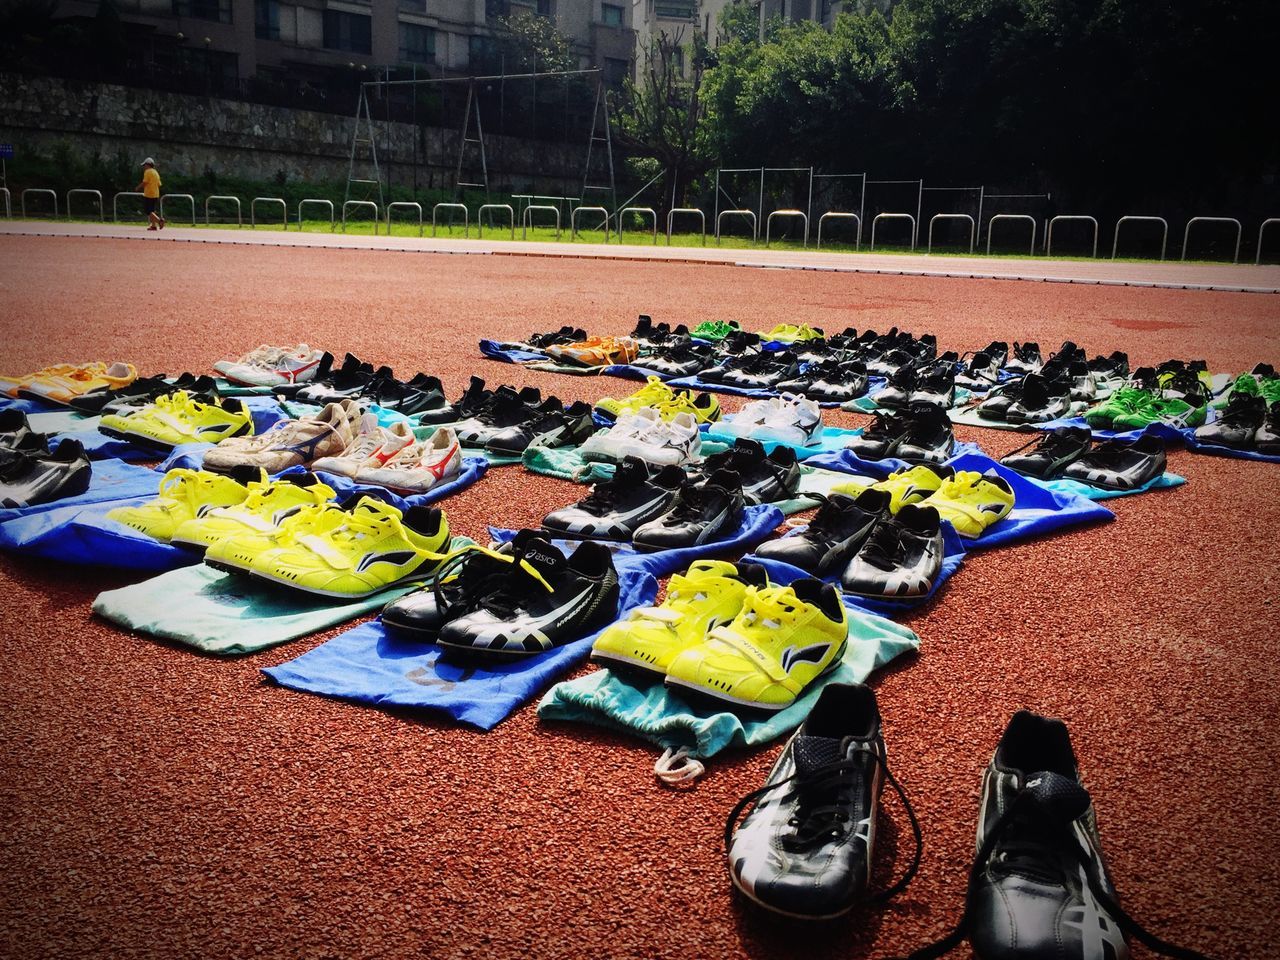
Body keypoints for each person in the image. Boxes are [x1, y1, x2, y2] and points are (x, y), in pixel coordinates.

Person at [135, 157, 165, 231]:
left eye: (144, 165)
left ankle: (159, 221)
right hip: (156, 194)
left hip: (149, 194)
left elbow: (145, 182)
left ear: (148, 165)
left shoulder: (148, 172)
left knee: (148, 211)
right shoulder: (155, 172)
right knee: (152, 211)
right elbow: (159, 184)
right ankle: (153, 226)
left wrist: (138, 188)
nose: (144, 167)